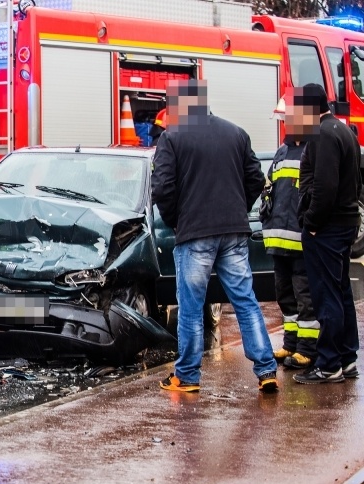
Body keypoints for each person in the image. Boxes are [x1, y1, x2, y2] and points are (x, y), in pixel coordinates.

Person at [151, 79, 278, 393]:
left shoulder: (172, 138)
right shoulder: (236, 133)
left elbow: (163, 189)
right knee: (246, 301)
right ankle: (266, 370)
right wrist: (238, 209)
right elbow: (255, 179)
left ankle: (188, 377)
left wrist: (176, 221)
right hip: (234, 231)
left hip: (194, 234)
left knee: (191, 307)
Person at [291, 83, 360, 384]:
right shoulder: (344, 131)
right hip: (344, 224)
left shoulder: (322, 135)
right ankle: (347, 358)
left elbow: (325, 186)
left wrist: (312, 221)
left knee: (326, 295)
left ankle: (329, 363)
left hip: (327, 228)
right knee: (341, 290)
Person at [260, 97, 318, 370]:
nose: (286, 124)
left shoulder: (313, 150)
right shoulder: (282, 152)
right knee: (285, 296)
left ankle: (308, 349)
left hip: (301, 241)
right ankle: (291, 344)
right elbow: (269, 188)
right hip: (278, 240)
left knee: (304, 297)